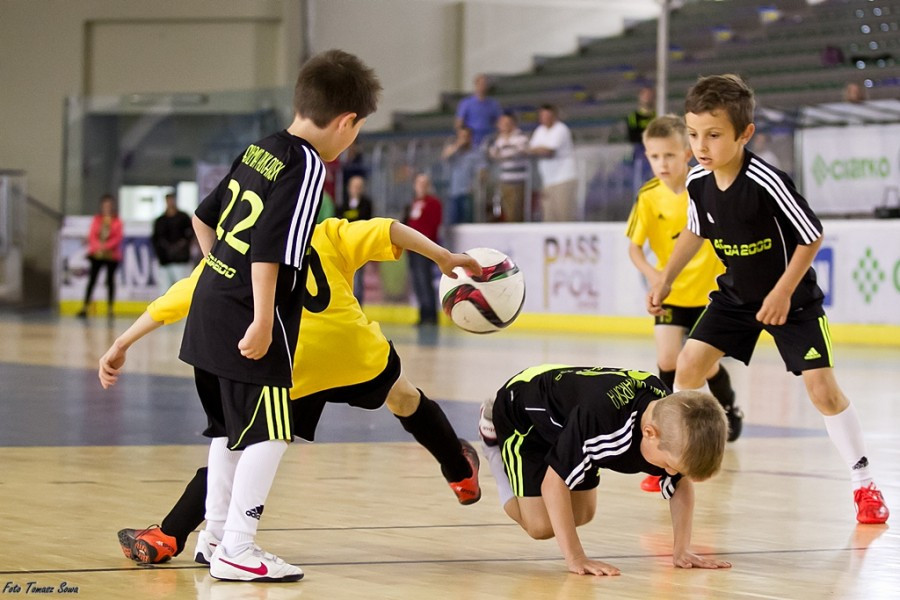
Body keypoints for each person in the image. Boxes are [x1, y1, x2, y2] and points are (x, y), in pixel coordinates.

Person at [99, 217, 483, 565]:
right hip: (352, 354)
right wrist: (442, 255)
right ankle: (460, 471)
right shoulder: (325, 233)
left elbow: (171, 303)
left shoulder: (233, 256)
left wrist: (121, 343)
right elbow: (391, 230)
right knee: (406, 399)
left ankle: (168, 535)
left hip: (291, 369)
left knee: (239, 452)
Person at [177, 49, 381, 583]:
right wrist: (262, 317)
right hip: (249, 316)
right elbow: (271, 248)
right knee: (270, 432)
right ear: (346, 122)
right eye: (358, 130)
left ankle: (214, 537)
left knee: (230, 431)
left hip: (210, 306)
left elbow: (203, 219)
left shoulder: (261, 148)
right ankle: (238, 547)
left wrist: (220, 277)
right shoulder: (308, 166)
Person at [647, 74, 889, 525]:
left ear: (745, 134)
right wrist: (665, 279)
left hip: (792, 302)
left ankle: (865, 484)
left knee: (823, 392)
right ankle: (677, 462)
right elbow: (695, 230)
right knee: (687, 367)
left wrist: (782, 292)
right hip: (736, 298)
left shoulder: (766, 181)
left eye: (714, 135)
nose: (701, 146)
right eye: (694, 134)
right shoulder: (697, 179)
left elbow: (811, 235)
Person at [478, 364, 732, 576]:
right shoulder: (602, 423)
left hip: (571, 416)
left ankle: (558, 450)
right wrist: (576, 558)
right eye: (669, 465)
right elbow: (553, 484)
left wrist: (682, 549)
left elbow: (680, 484)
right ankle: (491, 443)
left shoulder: (670, 418)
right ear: (649, 433)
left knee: (583, 513)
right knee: (540, 526)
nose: (670, 473)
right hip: (523, 412)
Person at [625, 115, 741, 494]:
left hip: (710, 293)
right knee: (668, 360)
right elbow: (634, 248)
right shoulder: (648, 196)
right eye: (655, 156)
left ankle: (728, 406)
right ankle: (667, 434)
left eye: (670, 155)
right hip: (671, 293)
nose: (662, 163)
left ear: (687, 154)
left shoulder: (704, 186)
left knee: (703, 366)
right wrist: (655, 275)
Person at [404, 173, 443, 326]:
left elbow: (433, 225)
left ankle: (431, 315)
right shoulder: (413, 203)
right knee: (417, 282)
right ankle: (423, 313)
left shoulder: (433, 203)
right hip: (412, 249)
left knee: (425, 280)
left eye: (424, 184)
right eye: (419, 184)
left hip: (424, 248)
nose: (421, 187)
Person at [528, 104, 577, 222]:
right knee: (549, 217)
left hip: (563, 178)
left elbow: (549, 151)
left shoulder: (561, 129)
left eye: (548, 116)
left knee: (564, 216)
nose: (545, 118)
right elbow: (530, 150)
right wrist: (538, 150)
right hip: (547, 180)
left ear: (554, 116)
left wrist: (537, 150)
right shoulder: (539, 130)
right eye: (542, 116)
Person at [77, 194, 123, 318]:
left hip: (112, 255)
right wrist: (98, 247)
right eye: (105, 205)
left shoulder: (117, 221)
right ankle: (85, 306)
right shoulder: (97, 220)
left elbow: (118, 238)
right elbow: (92, 235)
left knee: (110, 281)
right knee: (92, 280)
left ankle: (110, 308)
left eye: (109, 205)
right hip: (96, 255)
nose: (107, 207)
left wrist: (106, 246)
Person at [337, 175, 373, 304]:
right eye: (354, 187)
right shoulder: (343, 204)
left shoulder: (366, 204)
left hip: (359, 246)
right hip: (344, 246)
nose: (356, 189)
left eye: (359, 187)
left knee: (358, 279)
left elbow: (365, 221)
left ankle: (358, 304)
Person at [488, 111, 530, 222]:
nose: (503, 125)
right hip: (504, 180)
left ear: (513, 123)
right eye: (501, 123)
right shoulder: (498, 139)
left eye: (506, 123)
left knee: (516, 213)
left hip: (517, 182)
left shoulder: (521, 137)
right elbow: (492, 154)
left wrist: (503, 151)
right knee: (507, 213)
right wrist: (506, 148)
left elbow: (516, 152)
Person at [151, 191, 193, 294]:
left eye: (171, 200)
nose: (170, 202)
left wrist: (181, 247)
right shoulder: (160, 221)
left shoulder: (183, 218)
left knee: (183, 289)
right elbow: (156, 239)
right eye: (168, 200)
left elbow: (189, 235)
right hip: (165, 260)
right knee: (164, 290)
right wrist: (162, 252)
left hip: (181, 260)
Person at [442, 126, 485, 224]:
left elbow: (482, 170)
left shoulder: (476, 153)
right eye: (462, 136)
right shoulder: (454, 151)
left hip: (468, 193)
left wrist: (476, 184)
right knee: (452, 223)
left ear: (471, 137)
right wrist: (457, 145)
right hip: (453, 192)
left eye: (466, 136)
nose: (464, 139)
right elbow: (444, 156)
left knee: (467, 223)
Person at [454, 73, 502, 147]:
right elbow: (459, 122)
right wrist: (461, 138)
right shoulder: (466, 103)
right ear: (476, 84)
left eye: (485, 84)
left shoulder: (493, 104)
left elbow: (499, 121)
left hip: (488, 138)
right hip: (471, 138)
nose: (482, 86)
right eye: (480, 84)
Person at [626, 86, 657, 196]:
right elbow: (632, 137)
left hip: (656, 153)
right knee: (640, 185)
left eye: (649, 95)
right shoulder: (633, 117)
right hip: (640, 155)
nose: (647, 98)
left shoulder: (657, 115)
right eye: (645, 95)